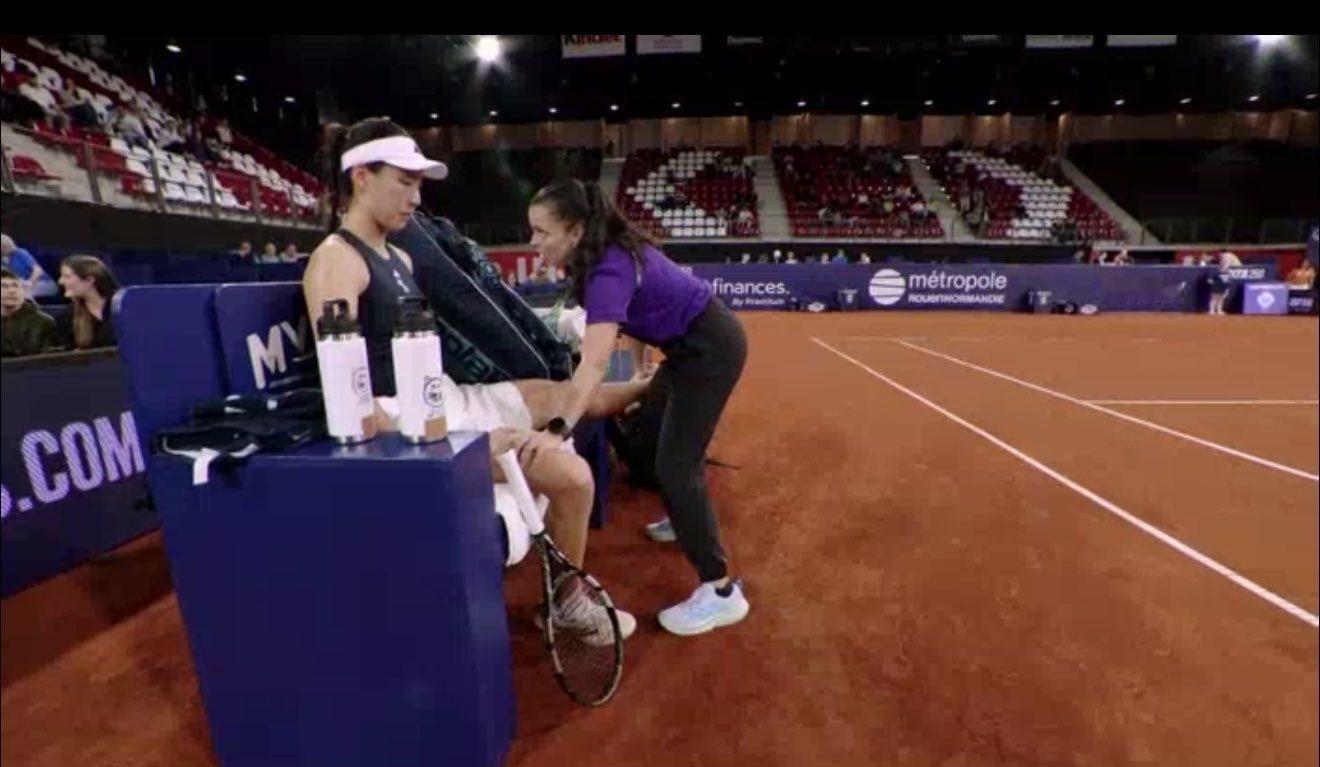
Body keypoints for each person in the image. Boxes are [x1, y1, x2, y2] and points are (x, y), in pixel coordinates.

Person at [305, 118, 645, 639]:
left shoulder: (398, 255)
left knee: (559, 395)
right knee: (574, 479)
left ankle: (650, 389)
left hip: (442, 398)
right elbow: (352, 406)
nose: (416, 198)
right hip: (406, 422)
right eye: (404, 181)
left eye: (419, 184)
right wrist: (469, 443)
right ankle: (565, 605)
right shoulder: (337, 261)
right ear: (361, 177)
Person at [528, 180, 751, 637]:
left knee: (676, 465)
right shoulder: (601, 256)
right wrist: (641, 370)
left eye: (541, 231)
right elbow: (632, 318)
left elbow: (593, 364)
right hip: (687, 348)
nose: (534, 242)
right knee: (649, 431)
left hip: (710, 350)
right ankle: (685, 517)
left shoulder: (607, 269)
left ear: (574, 231)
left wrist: (557, 428)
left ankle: (721, 591)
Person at [55, 255, 118, 350]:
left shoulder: (125, 307)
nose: (60, 282)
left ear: (89, 280)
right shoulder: (67, 316)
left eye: (67, 277)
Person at [1, 267, 57, 357]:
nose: (12, 291)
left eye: (15, 286)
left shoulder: (44, 322)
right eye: (4, 286)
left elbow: (50, 360)